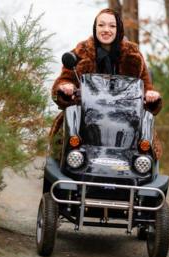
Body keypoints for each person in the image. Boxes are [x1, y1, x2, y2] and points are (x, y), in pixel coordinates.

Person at [49, 8, 163, 160]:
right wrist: (65, 87)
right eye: (101, 25)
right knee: (63, 145)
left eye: (112, 26)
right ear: (95, 27)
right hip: (86, 116)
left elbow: (145, 84)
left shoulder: (133, 55)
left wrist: (150, 94)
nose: (106, 30)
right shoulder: (81, 52)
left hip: (126, 119)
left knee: (146, 148)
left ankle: (139, 169)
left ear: (119, 29)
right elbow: (63, 80)